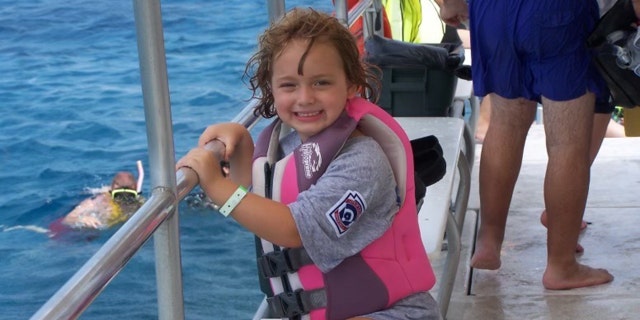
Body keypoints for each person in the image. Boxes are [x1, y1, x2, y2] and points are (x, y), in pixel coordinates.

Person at [177, 8, 441, 320]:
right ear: (271, 89)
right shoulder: (291, 144)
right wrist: (242, 150)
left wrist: (218, 188)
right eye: (289, 85)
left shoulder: (362, 162)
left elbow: (291, 229)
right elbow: (263, 209)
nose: (305, 98)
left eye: (321, 83)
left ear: (353, 85)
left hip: (394, 312)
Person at [439, 0, 616, 290]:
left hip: (491, 12)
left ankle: (489, 240)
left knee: (505, 124)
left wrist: (450, 3)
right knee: (566, 145)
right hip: (558, 14)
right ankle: (561, 266)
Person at [50, 164, 145, 236]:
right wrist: (82, 219)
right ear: (112, 191)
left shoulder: (137, 202)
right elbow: (67, 220)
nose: (124, 199)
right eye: (119, 195)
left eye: (129, 195)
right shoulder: (98, 202)